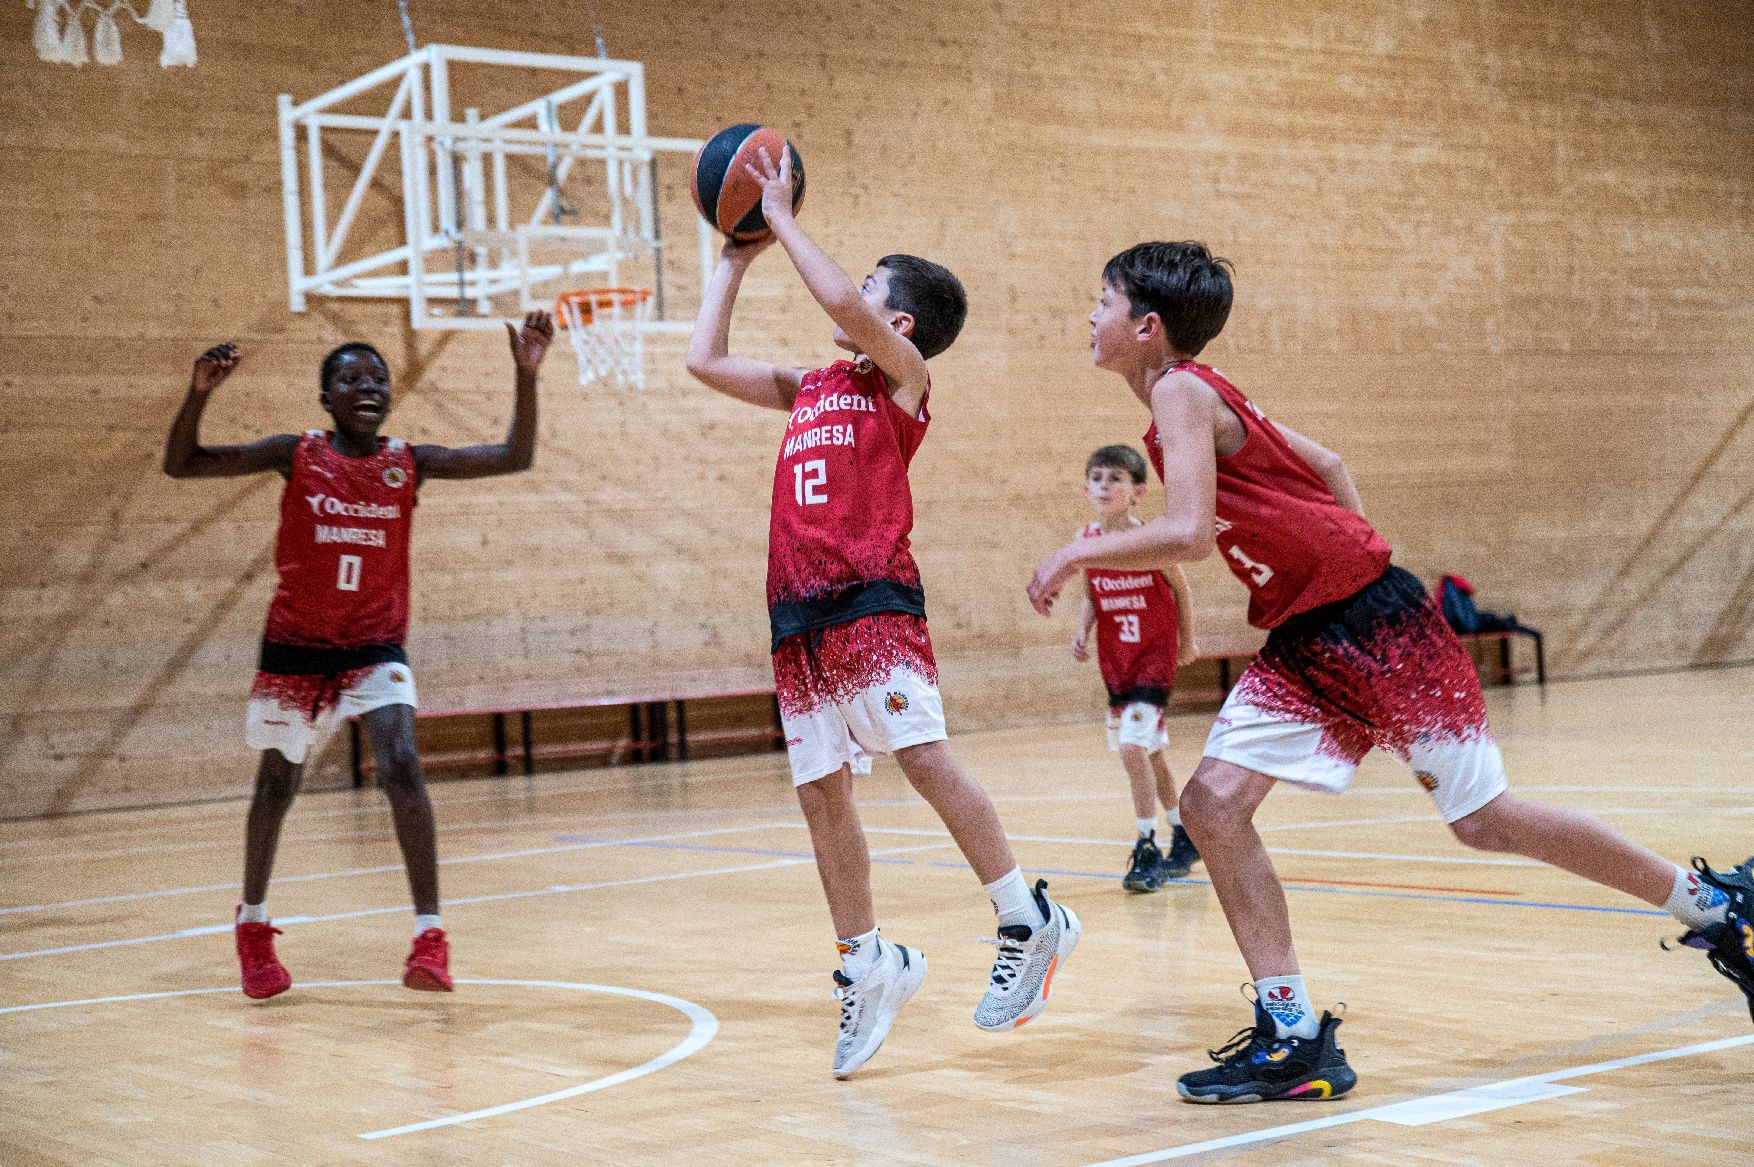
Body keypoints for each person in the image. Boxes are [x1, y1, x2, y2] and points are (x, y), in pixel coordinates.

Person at [1028, 240, 1754, 1103]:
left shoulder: (1183, 388)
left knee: (1483, 820)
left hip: (1374, 627)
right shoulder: (1194, 395)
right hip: (1312, 634)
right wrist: (1346, 563)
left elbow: (1188, 530)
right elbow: (1329, 466)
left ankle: (1713, 904)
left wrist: (1079, 553)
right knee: (1212, 805)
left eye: (1101, 300)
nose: (1089, 316)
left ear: (1147, 326)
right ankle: (1293, 1035)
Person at [686, 146, 1080, 1078]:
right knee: (822, 793)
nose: (850, 295)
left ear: (896, 319)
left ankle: (1029, 913)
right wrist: (733, 261)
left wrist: (778, 214)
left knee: (923, 755)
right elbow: (703, 359)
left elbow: (842, 308)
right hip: (798, 615)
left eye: (870, 290)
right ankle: (869, 961)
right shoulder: (811, 386)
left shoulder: (902, 377)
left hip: (873, 601)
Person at [163, 311, 555, 1000]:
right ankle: (253, 923)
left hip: (375, 643)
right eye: (349, 377)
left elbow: (512, 455)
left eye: (376, 377)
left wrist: (526, 375)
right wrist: (199, 392)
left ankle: (430, 936)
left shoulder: (410, 462)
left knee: (402, 763)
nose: (366, 385)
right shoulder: (298, 452)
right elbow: (182, 463)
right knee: (278, 785)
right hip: (297, 645)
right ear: (327, 397)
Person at [1071, 444, 1201, 890]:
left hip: (1153, 659)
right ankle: (1184, 834)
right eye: (1097, 477)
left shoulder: (1152, 541)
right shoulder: (1086, 539)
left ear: (1138, 493)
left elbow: (1181, 588)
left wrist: (1188, 640)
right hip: (1117, 662)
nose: (1104, 486)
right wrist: (1081, 629)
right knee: (1152, 754)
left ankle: (1145, 844)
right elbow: (1092, 591)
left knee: (1131, 749)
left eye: (1116, 479)